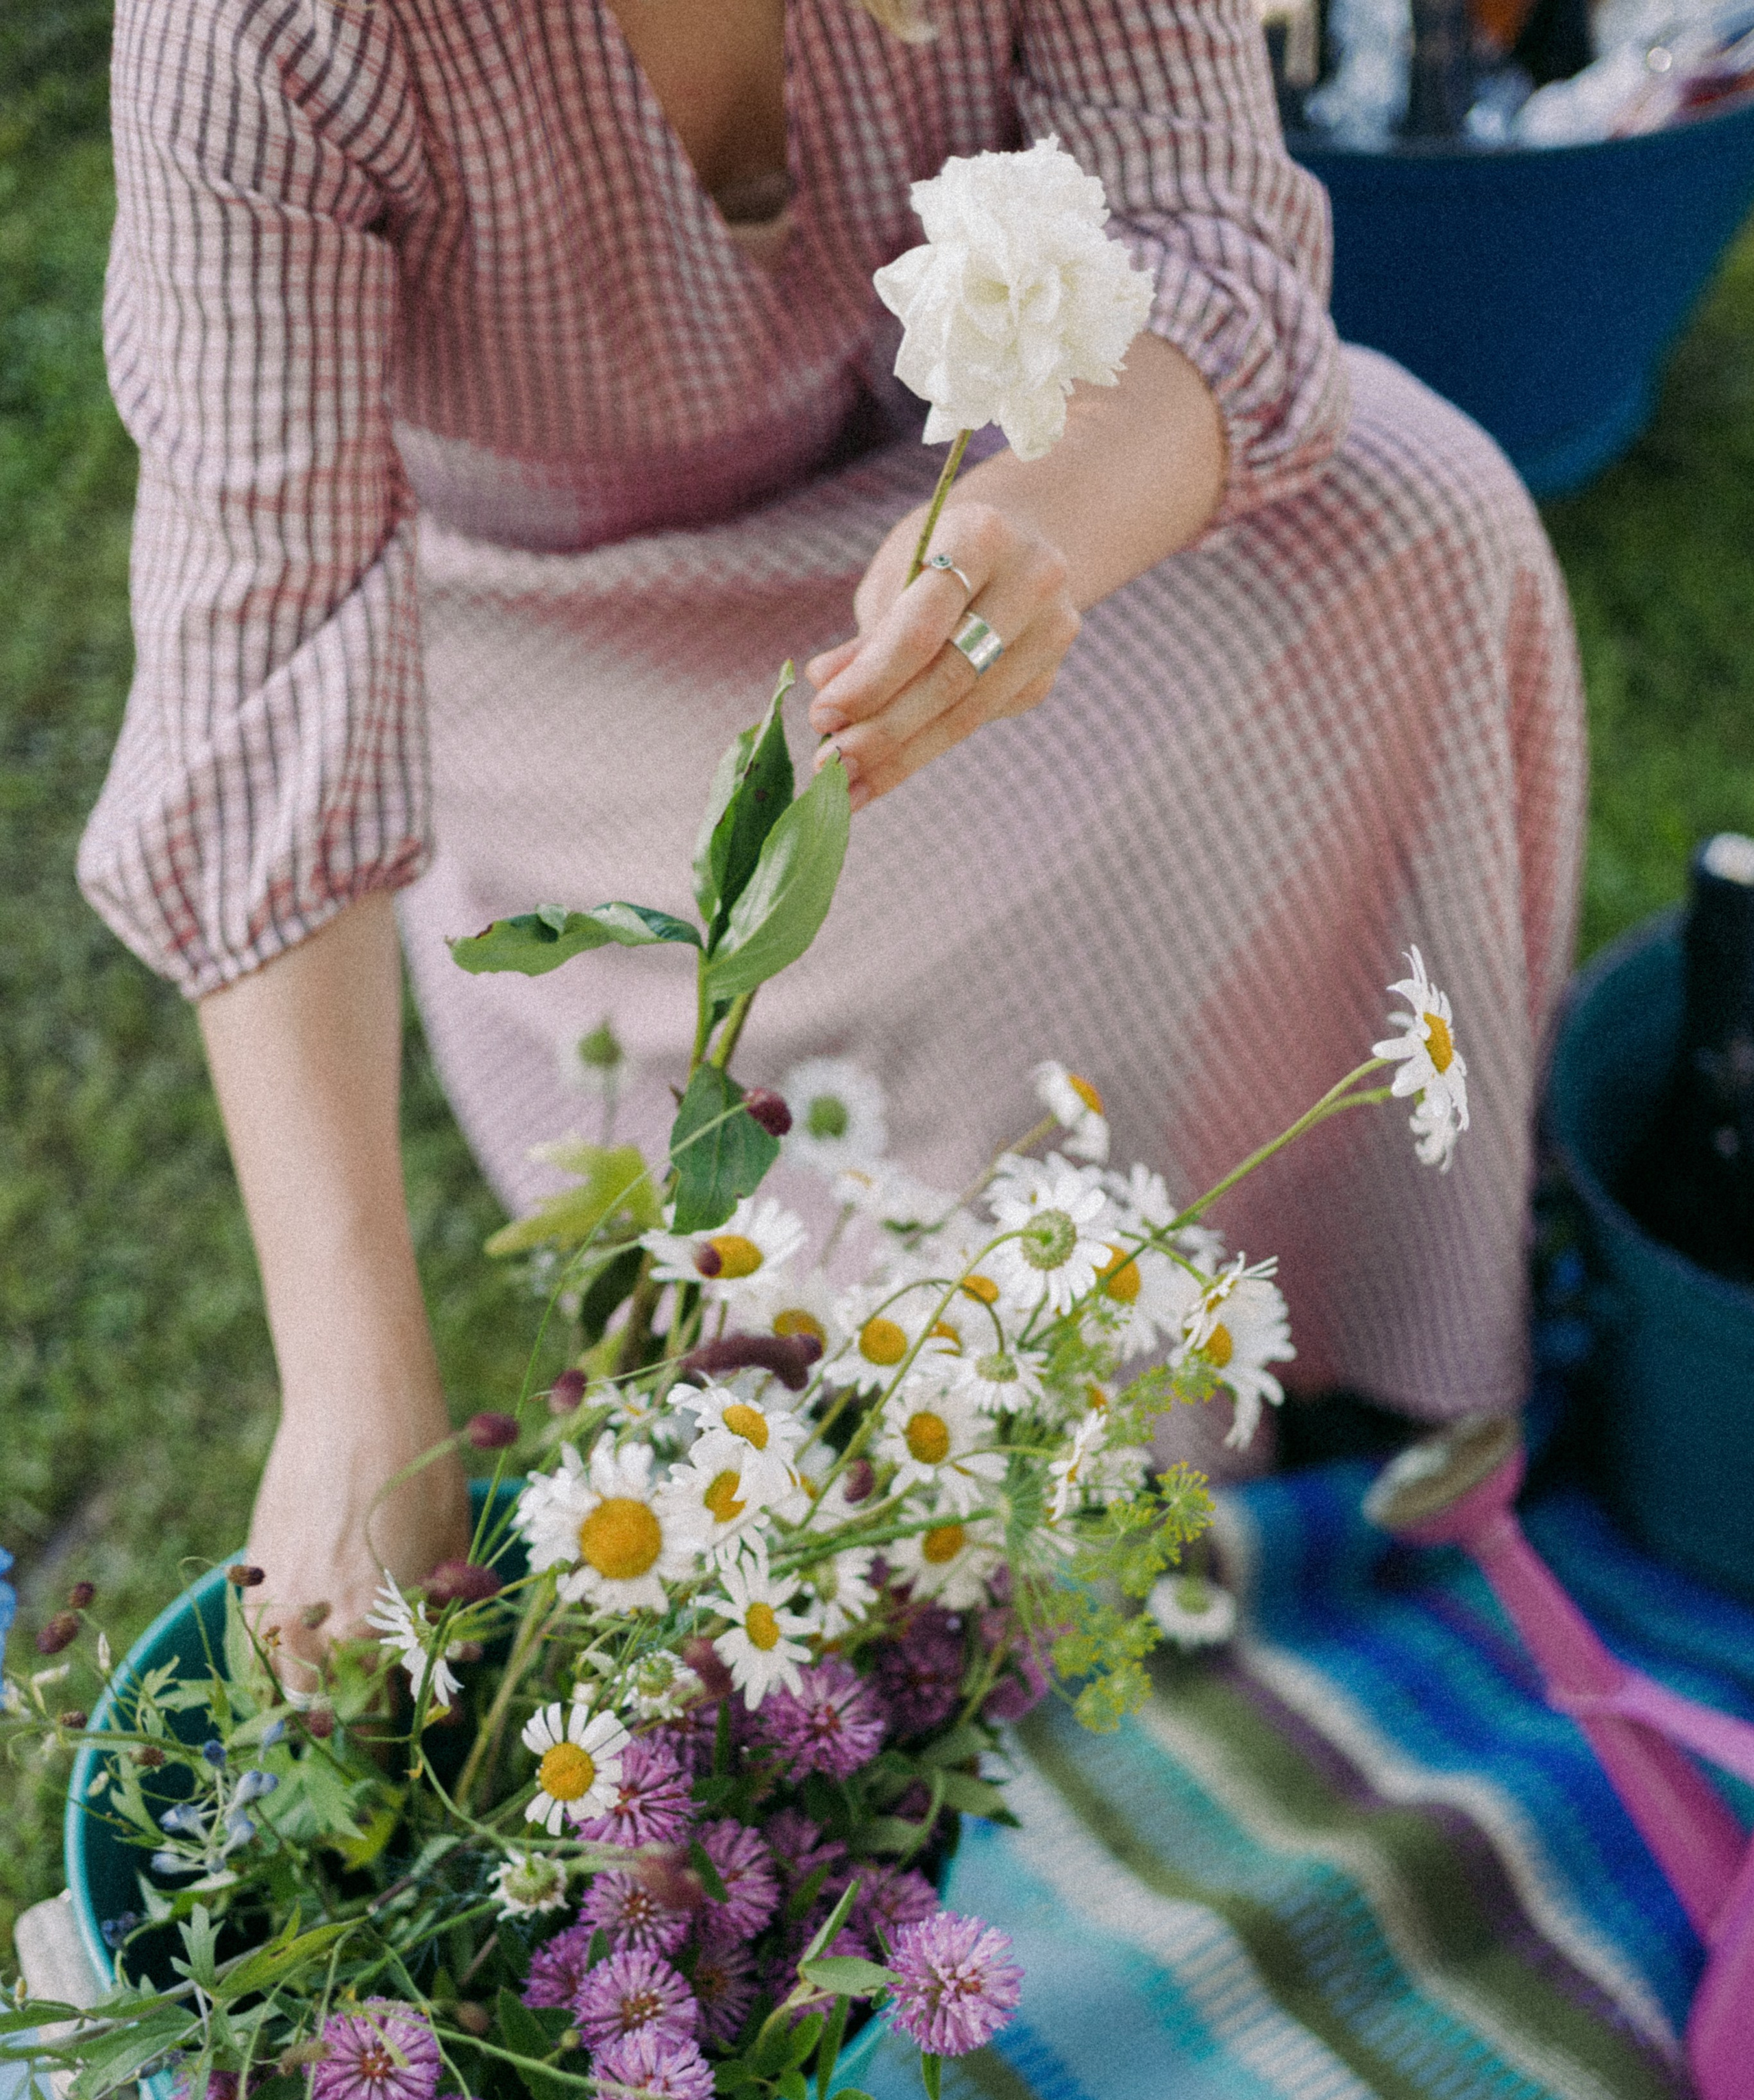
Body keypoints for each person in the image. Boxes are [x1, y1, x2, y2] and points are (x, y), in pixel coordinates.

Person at [78, 0, 1585, 1660]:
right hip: (562, 641)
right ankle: (1054, 1494)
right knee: (969, 910)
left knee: (1421, 519)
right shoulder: (263, 35)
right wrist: (352, 1377)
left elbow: (1209, 249)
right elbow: (271, 648)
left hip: (949, 496)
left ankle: (1381, 1340)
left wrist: (1040, 526)